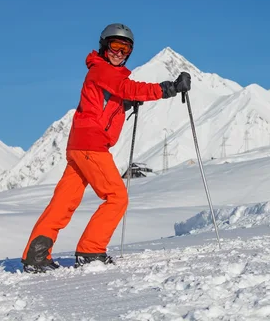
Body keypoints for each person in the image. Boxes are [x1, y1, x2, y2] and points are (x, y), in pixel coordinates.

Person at [21, 23, 191, 273]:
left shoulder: (105, 75)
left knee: (63, 202)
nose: (119, 53)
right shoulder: (102, 70)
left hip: (79, 146)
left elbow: (110, 100)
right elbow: (126, 88)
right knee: (116, 197)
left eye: (125, 48)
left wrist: (124, 103)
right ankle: (91, 251)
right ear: (104, 46)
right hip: (91, 145)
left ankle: (36, 255)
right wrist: (168, 89)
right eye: (115, 46)